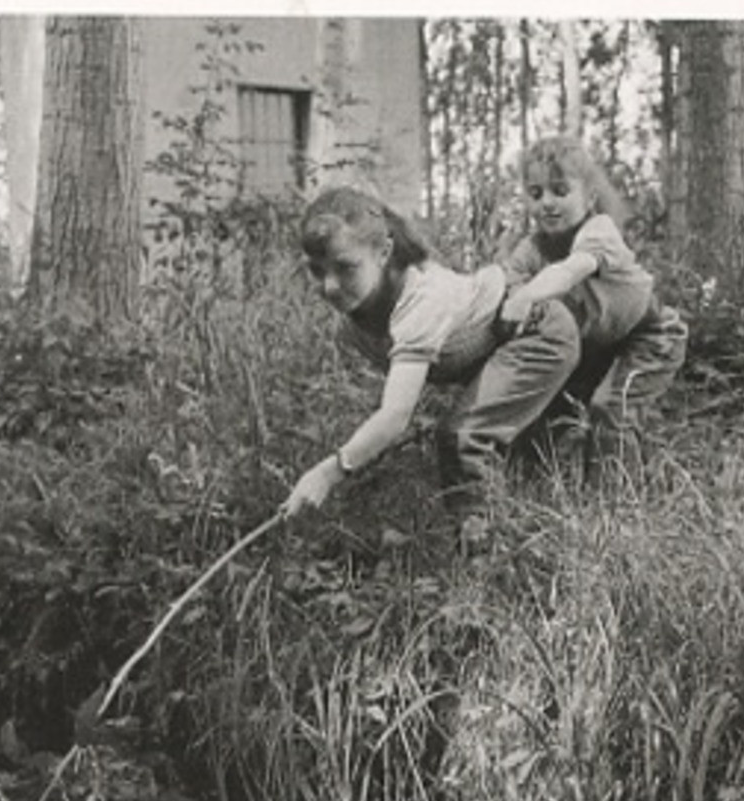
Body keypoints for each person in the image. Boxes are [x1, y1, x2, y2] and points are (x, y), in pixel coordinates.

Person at [283, 185, 580, 548]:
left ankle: (483, 557)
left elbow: (394, 416)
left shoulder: (421, 300)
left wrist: (329, 473)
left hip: (535, 331)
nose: (330, 286)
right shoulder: (357, 312)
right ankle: (532, 533)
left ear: (384, 252)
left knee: (462, 437)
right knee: (516, 456)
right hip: (494, 348)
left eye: (345, 268)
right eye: (317, 271)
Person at [500, 135, 686, 462]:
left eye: (560, 191)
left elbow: (573, 270)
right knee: (548, 408)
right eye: (535, 193)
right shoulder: (529, 250)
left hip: (649, 336)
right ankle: (545, 488)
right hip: (594, 347)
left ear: (590, 198)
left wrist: (527, 295)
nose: (547, 202)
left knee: (612, 409)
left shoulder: (598, 230)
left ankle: (618, 503)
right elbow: (507, 289)